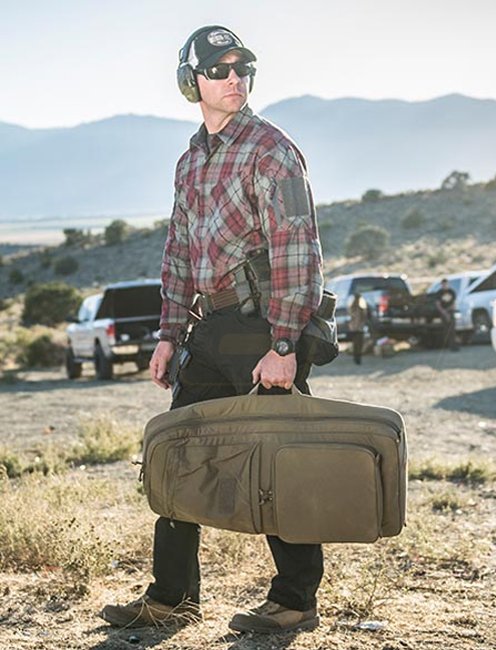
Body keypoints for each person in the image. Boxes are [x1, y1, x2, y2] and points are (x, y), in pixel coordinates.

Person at [100, 25, 324, 634]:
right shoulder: (190, 160)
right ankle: (172, 596)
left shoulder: (271, 149)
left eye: (241, 68)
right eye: (218, 69)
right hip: (209, 329)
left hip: (262, 330)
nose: (234, 79)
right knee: (178, 455)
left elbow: (297, 248)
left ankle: (295, 600)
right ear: (190, 81)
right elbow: (179, 251)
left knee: (276, 462)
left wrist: (283, 343)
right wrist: (168, 333)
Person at [435, 278, 459, 351]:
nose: (444, 285)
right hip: (443, 312)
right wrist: (445, 313)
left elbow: (454, 304)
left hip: (451, 312)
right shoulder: (439, 293)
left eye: (446, 284)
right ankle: (449, 345)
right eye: (443, 284)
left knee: (452, 329)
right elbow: (438, 305)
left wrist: (449, 311)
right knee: (446, 330)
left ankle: (454, 345)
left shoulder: (451, 292)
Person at [348, 292, 368, 364]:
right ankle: (358, 357)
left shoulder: (352, 308)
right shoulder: (359, 309)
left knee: (356, 344)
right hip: (359, 328)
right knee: (359, 344)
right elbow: (364, 318)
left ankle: (356, 357)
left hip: (354, 328)